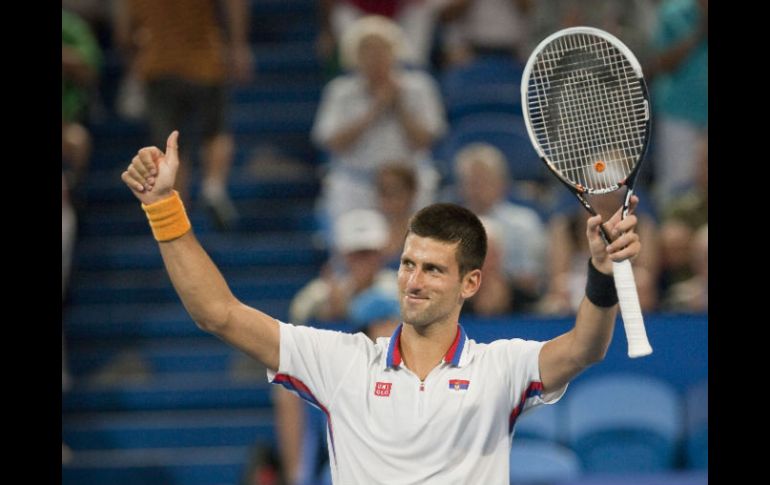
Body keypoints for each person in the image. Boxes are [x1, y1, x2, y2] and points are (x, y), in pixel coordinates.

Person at [121, 130, 641, 484]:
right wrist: (164, 209)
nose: (413, 281)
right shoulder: (342, 361)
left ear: (471, 283)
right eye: (407, 264)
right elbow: (218, 313)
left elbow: (583, 348)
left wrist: (600, 273)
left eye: (433, 270)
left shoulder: (500, 367)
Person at [113, 0, 253, 230]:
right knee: (216, 131)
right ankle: (214, 186)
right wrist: (239, 45)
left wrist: (133, 54)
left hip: (159, 63)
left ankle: (178, 214)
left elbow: (124, 32)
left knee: (172, 147)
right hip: (206, 60)